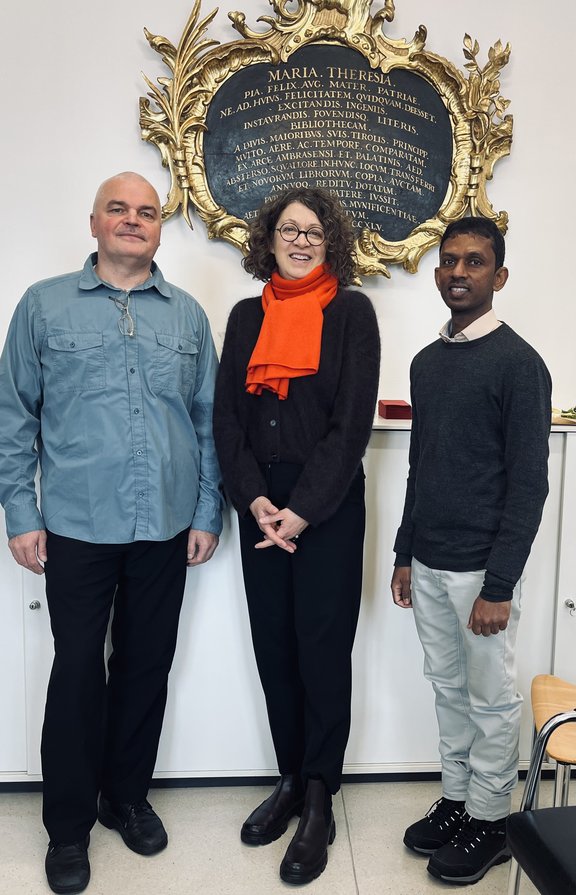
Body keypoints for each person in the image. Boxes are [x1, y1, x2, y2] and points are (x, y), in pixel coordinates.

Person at [0, 172, 222, 894]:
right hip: (76, 524)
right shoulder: (43, 306)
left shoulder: (188, 317)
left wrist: (207, 510)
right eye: (118, 209)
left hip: (166, 523)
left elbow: (208, 421)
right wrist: (21, 513)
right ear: (94, 223)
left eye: (147, 212)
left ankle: (124, 797)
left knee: (145, 664)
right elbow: (13, 417)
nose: (133, 220)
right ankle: (67, 828)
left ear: (160, 228)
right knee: (76, 671)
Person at [213, 187, 380, 885]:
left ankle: (318, 793)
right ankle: (288, 776)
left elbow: (351, 425)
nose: (302, 240)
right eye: (290, 229)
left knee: (322, 650)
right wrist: (254, 499)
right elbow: (227, 420)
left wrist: (302, 510)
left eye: (314, 231)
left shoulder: (352, 313)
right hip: (260, 506)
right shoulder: (245, 316)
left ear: (329, 240)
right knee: (275, 646)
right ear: (270, 239)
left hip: (327, 508)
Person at [391, 217, 551, 885]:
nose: (459, 272)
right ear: (437, 273)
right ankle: (457, 800)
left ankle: (491, 819)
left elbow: (529, 484)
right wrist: (404, 552)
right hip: (429, 563)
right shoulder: (427, 363)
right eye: (450, 260)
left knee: (490, 699)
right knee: (448, 690)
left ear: (499, 276)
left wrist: (499, 585)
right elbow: (421, 467)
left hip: (482, 573)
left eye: (475, 262)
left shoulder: (519, 364)